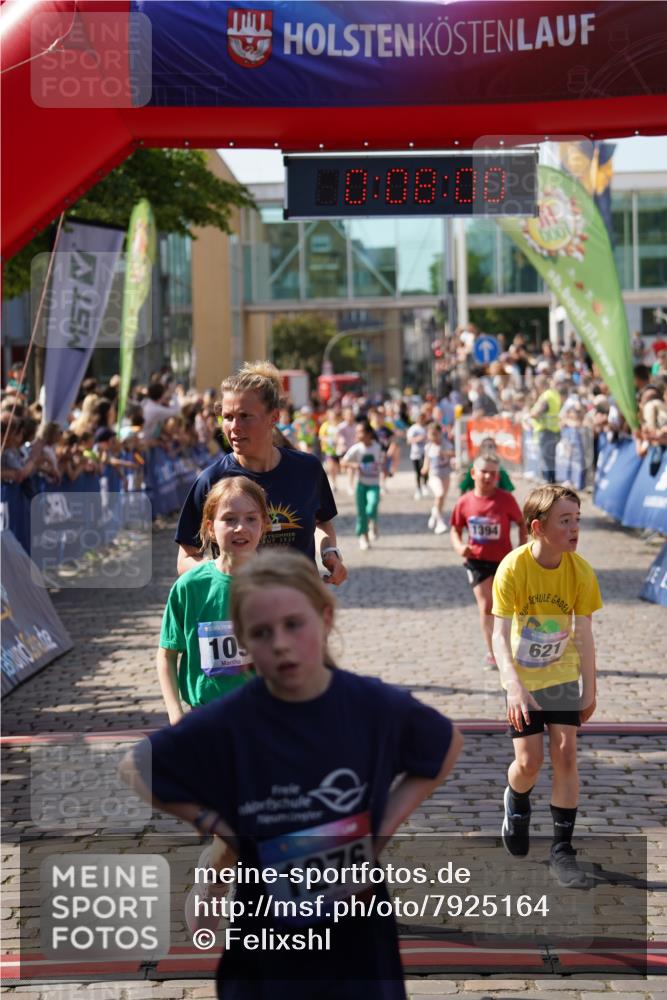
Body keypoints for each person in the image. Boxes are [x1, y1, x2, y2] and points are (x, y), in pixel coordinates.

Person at [123, 549, 463, 999]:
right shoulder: (232, 719)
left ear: (325, 619)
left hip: (356, 938)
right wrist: (216, 823)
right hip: (265, 945)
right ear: (243, 642)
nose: (280, 643)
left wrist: (381, 827)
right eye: (261, 632)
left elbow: (444, 743)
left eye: (293, 624)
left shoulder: (368, 705)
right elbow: (138, 765)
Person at [159, 476, 269, 932]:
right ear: (209, 526)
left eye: (250, 519)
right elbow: (167, 654)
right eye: (229, 519)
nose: (240, 528)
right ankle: (217, 879)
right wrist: (175, 713)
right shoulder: (191, 586)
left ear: (264, 526)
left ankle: (231, 882)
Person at [491, 485, 602, 888]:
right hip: (523, 678)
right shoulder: (513, 567)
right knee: (529, 763)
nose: (574, 529)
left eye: (577, 520)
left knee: (566, 753)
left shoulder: (580, 571)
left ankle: (562, 849)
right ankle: (516, 800)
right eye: (565, 521)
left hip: (562, 674)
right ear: (537, 527)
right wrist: (513, 686)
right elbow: (499, 635)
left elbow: (584, 634)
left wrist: (590, 689)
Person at [175, 362, 347, 585]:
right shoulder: (212, 480)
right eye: (227, 417)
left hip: (300, 597)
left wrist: (329, 552)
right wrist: (219, 571)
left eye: (245, 416)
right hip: (240, 602)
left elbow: (321, 522)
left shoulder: (307, 469)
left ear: (274, 417)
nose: (234, 427)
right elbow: (185, 559)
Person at [450, 454, 526, 667]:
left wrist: (521, 548)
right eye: (484, 472)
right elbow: (455, 528)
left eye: (493, 473)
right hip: (477, 561)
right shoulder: (464, 502)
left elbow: (522, 523)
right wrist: (459, 546)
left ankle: (511, 646)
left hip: (504, 561)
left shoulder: (506, 499)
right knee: (486, 606)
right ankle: (493, 653)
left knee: (508, 606)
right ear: (473, 473)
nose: (488, 477)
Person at [342, 420, 383, 550]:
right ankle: (363, 538)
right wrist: (354, 465)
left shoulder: (377, 447)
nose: (357, 434)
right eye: (357, 432)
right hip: (361, 485)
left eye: (360, 432)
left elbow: (382, 460)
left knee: (372, 505)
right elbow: (343, 462)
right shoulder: (356, 448)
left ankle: (373, 522)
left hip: (374, 484)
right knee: (362, 513)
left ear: (369, 434)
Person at [421, 422, 453, 534]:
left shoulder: (446, 444)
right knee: (439, 494)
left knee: (442, 498)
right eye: (431, 434)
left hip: (445, 474)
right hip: (434, 475)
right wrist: (425, 468)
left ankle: (435, 514)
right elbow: (427, 459)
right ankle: (440, 522)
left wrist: (444, 453)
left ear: (440, 433)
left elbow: (453, 454)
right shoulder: (428, 446)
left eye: (435, 434)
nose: (433, 437)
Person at [406, 407, 429, 499]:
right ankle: (418, 489)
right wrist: (418, 439)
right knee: (418, 472)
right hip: (415, 453)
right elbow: (409, 441)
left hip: (425, 453)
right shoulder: (413, 428)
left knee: (425, 470)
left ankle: (425, 485)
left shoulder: (426, 428)